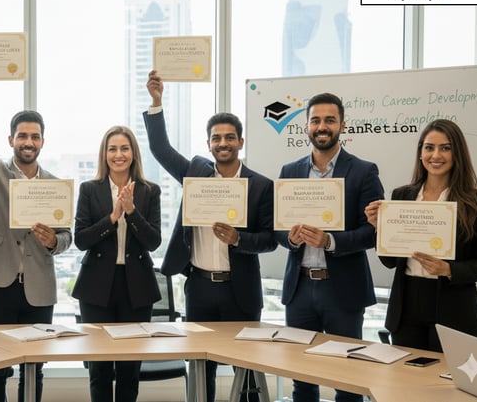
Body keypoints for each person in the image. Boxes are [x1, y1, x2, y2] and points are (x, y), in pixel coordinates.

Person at [143, 70, 276, 402]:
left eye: (230, 138)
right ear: (209, 144)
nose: (223, 143)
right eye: (216, 138)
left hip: (240, 289)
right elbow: (160, 149)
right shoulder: (195, 173)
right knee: (201, 369)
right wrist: (157, 102)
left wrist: (238, 240)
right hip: (200, 288)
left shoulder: (261, 186)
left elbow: (270, 239)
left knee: (246, 370)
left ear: (240, 142)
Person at [0, 65, 72, 402]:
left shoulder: (55, 185)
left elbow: (67, 236)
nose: (28, 142)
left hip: (39, 287)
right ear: (11, 140)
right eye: (22, 136)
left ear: (42, 142)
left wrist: (54, 241)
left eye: (34, 137)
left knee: (35, 365)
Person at [276, 92, 383, 402]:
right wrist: (291, 238)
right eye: (315, 120)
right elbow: (278, 230)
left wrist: (330, 241)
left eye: (329, 120)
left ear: (342, 126)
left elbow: (373, 232)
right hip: (299, 291)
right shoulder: (289, 172)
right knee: (302, 380)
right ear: (306, 126)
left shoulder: (364, 171)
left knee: (348, 381)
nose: (322, 126)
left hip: (343, 291)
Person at [365, 119, 477, 351]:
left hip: (454, 309)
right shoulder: (401, 196)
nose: (436, 155)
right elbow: (389, 261)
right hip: (406, 307)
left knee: (445, 375)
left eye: (445, 148)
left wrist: (448, 269)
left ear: (457, 154)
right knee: (405, 373)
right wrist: (380, 229)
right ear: (420, 153)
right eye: (429, 147)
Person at [72, 125, 161, 402]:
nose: (118, 155)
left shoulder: (150, 191)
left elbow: (153, 242)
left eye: (124, 148)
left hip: (137, 287)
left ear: (133, 153)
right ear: (104, 154)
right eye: (112, 149)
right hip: (96, 287)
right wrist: (112, 217)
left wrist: (131, 211)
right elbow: (81, 240)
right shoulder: (90, 189)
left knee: (129, 370)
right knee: (99, 369)